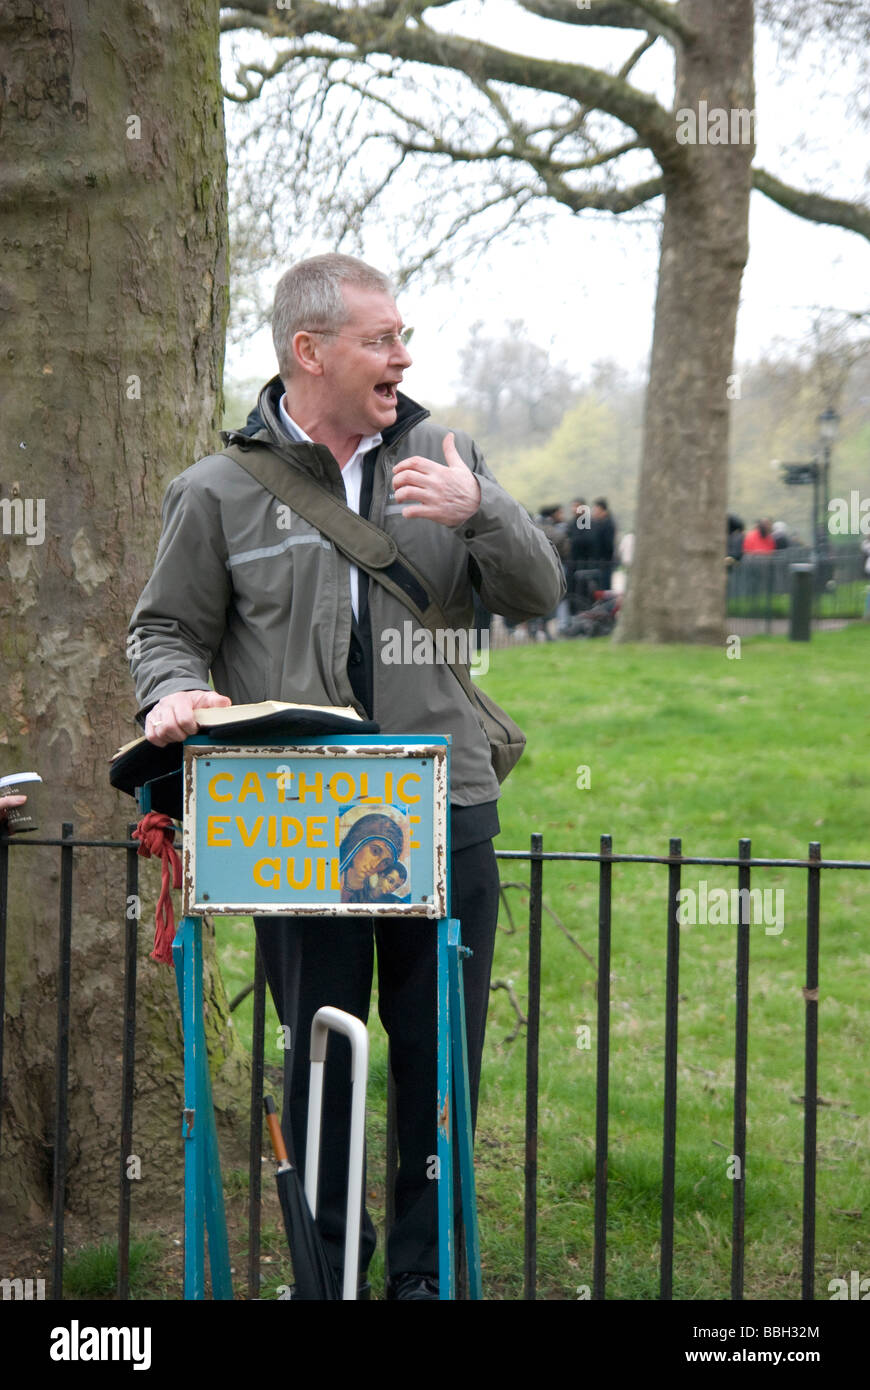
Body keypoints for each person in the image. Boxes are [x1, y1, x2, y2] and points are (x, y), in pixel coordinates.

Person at [127, 252, 564, 1300]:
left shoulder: (447, 457)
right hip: (293, 813)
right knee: (320, 1064)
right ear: (308, 351)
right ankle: (327, 1272)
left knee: (436, 1058)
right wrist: (172, 693)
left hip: (445, 798)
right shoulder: (217, 491)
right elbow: (166, 629)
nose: (402, 356)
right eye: (380, 338)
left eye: (403, 336)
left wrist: (483, 511)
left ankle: (425, 1275)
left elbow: (540, 590)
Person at [590, 498, 616, 591]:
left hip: (604, 561)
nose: (594, 512)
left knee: (604, 587)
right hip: (599, 561)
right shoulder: (599, 523)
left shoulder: (607, 524)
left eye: (596, 509)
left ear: (602, 510)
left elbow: (608, 544)